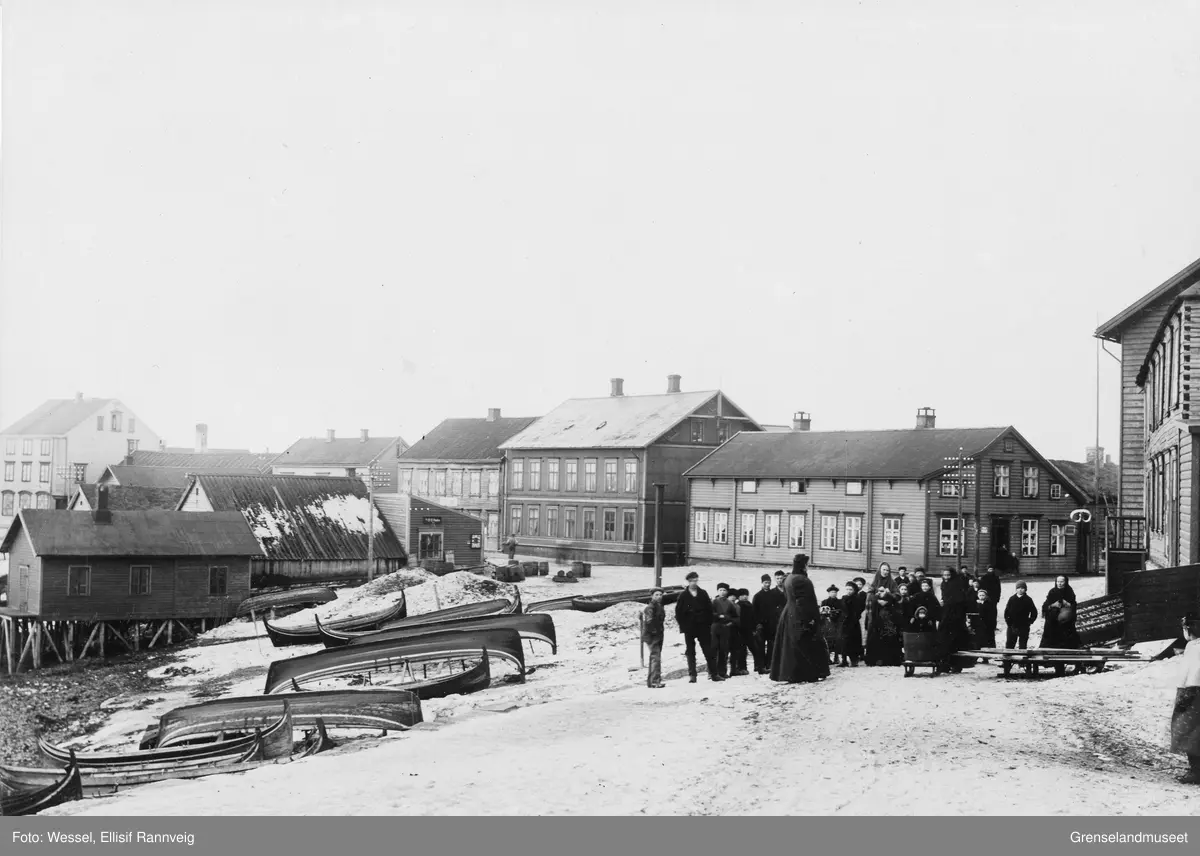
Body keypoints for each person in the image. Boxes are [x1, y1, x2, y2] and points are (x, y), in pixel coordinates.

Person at [770, 553, 831, 684]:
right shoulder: (803, 580)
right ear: (803, 565)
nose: (808, 567)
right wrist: (811, 619)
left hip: (789, 613)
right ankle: (808, 674)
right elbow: (805, 601)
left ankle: (792, 674)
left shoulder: (789, 578)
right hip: (800, 615)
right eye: (807, 565)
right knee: (807, 644)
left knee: (791, 645)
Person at [1170, 614, 1200, 784]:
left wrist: (1186, 694)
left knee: (1190, 731)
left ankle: (1196, 771)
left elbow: (1194, 671)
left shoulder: (1194, 647)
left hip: (1193, 693)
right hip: (1194, 690)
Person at [674, 571, 719, 682]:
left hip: (703, 627)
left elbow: (709, 610)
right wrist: (683, 626)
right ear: (688, 582)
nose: (694, 583)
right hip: (689, 628)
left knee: (708, 650)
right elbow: (678, 613)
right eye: (691, 581)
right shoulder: (683, 596)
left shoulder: (703, 593)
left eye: (695, 580)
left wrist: (708, 623)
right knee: (690, 651)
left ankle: (714, 674)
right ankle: (692, 675)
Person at [937, 566, 972, 672]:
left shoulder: (956, 584)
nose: (946, 577)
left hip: (956, 616)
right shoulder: (944, 584)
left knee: (955, 642)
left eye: (948, 575)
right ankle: (945, 665)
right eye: (944, 575)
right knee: (944, 641)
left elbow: (960, 600)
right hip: (946, 615)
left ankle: (956, 665)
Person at [865, 586, 905, 666]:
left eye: (883, 591)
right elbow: (872, 613)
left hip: (889, 625)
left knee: (890, 639)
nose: (881, 593)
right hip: (878, 624)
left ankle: (890, 660)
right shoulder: (875, 600)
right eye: (879, 591)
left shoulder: (891, 600)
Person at [1041, 574, 1082, 649]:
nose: (1059, 583)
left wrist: (1067, 603)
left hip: (1065, 621)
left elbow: (1073, 605)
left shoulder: (1069, 592)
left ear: (1066, 582)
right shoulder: (1052, 592)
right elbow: (1045, 606)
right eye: (1058, 581)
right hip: (1052, 622)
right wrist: (1053, 605)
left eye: (1062, 581)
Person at [710, 582, 737, 680]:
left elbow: (735, 617)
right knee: (713, 649)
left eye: (724, 590)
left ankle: (722, 672)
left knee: (724, 650)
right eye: (720, 590)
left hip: (725, 629)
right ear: (717, 591)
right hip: (714, 628)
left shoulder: (729, 603)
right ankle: (712, 672)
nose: (722, 592)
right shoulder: (714, 602)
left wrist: (729, 622)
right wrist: (718, 616)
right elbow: (709, 614)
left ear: (727, 592)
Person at [751, 575, 777, 674]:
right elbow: (754, 612)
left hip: (771, 625)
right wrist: (757, 624)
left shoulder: (773, 595)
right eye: (765, 582)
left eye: (769, 582)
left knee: (771, 646)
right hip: (761, 625)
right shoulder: (757, 596)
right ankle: (760, 667)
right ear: (762, 583)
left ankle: (769, 665)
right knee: (760, 646)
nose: (767, 584)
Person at [641, 589, 667, 688]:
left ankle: (652, 681)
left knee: (655, 657)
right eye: (656, 595)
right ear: (652, 596)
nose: (659, 596)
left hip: (658, 635)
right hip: (652, 636)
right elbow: (649, 622)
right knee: (655, 658)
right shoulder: (650, 608)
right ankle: (655, 681)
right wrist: (655, 633)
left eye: (660, 595)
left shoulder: (659, 606)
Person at [1003, 582, 1039, 650]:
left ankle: (1022, 659)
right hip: (1012, 625)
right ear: (1016, 589)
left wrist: (1030, 621)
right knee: (1010, 644)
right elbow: (1006, 612)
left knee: (1023, 644)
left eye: (1022, 588)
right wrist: (1009, 622)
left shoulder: (1028, 599)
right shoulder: (1012, 599)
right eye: (1018, 588)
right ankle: (1007, 659)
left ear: (1025, 589)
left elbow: (1034, 612)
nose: (1020, 590)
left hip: (1024, 626)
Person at [840, 580, 864, 667]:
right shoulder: (843, 598)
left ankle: (854, 660)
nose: (848, 591)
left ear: (854, 590)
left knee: (853, 642)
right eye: (847, 589)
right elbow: (842, 610)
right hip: (845, 623)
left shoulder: (857, 599)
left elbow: (858, 611)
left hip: (853, 624)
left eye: (850, 589)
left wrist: (853, 619)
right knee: (844, 641)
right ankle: (844, 660)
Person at [820, 585, 844, 665]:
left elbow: (842, 612)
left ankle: (836, 657)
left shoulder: (840, 602)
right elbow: (822, 612)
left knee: (837, 639)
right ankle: (827, 658)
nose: (833, 594)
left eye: (835, 592)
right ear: (829, 593)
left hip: (837, 622)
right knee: (827, 639)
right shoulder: (825, 602)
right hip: (827, 623)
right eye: (831, 592)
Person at [736, 589, 758, 675]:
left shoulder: (750, 605)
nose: (745, 596)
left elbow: (753, 618)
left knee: (755, 649)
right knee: (742, 651)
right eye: (742, 595)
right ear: (739, 596)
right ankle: (742, 668)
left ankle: (758, 666)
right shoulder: (738, 605)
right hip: (740, 631)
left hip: (749, 631)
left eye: (746, 595)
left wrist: (754, 628)